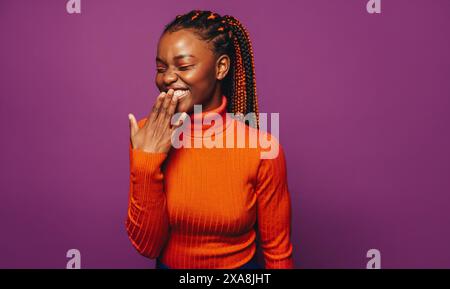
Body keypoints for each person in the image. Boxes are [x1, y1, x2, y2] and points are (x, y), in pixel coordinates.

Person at [126, 10, 294, 269]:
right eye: (161, 68)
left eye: (183, 66)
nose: (167, 78)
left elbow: (278, 253)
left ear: (220, 67)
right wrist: (146, 162)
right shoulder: (148, 133)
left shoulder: (263, 149)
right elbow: (148, 246)